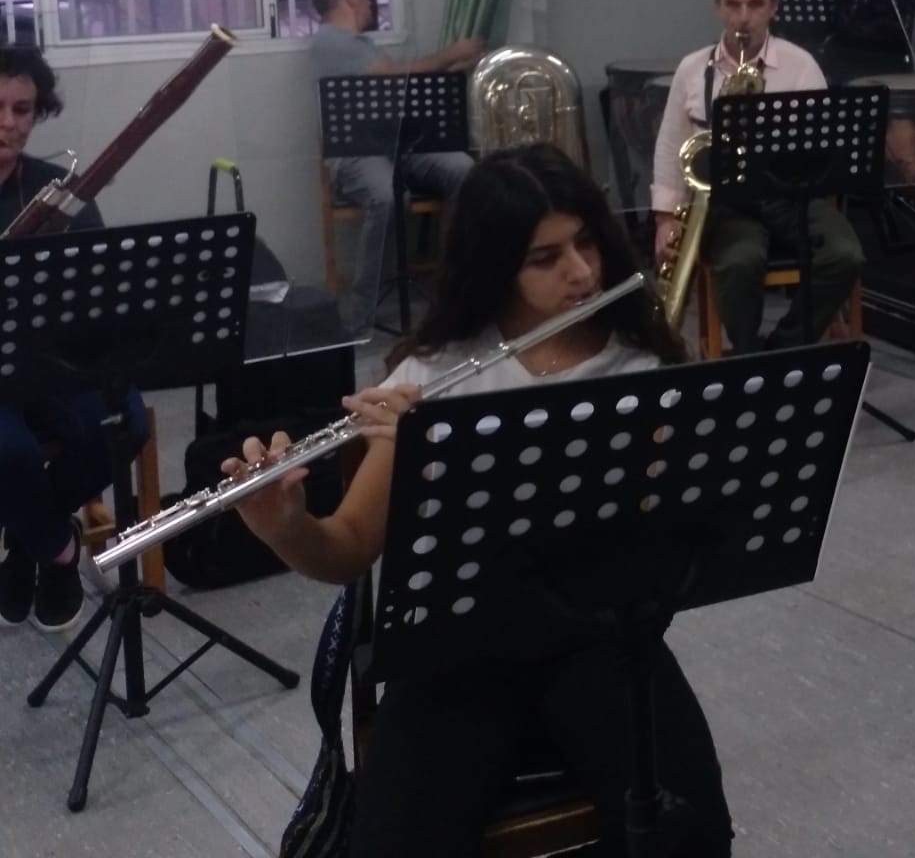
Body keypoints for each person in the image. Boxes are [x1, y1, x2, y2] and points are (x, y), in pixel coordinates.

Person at [229, 144, 733, 858]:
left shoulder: (639, 361)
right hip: (456, 649)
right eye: (545, 258)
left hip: (600, 639)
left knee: (690, 832)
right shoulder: (436, 374)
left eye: (586, 242)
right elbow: (345, 551)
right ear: (495, 266)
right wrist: (286, 527)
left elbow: (679, 525)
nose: (581, 272)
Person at [0, 47, 143, 632]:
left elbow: (98, 286)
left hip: (49, 359)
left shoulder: (54, 187)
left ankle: (26, 537)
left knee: (123, 422)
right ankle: (59, 552)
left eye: (22, 110)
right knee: (11, 452)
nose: (8, 123)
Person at [652, 0, 864, 352]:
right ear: (718, 7)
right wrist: (664, 218)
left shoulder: (800, 66)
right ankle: (747, 353)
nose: (743, 17)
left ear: (774, 7)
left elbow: (823, 148)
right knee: (739, 264)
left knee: (846, 255)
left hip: (791, 197)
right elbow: (670, 144)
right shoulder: (692, 68)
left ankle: (782, 349)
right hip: (725, 202)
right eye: (733, 5)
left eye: (755, 4)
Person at [308, 0, 483, 334]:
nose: (370, 3)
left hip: (399, 144)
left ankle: (452, 288)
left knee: (464, 171)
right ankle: (361, 316)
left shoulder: (362, 43)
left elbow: (399, 82)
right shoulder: (329, 40)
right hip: (357, 153)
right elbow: (389, 73)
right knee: (387, 197)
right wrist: (451, 53)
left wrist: (454, 68)